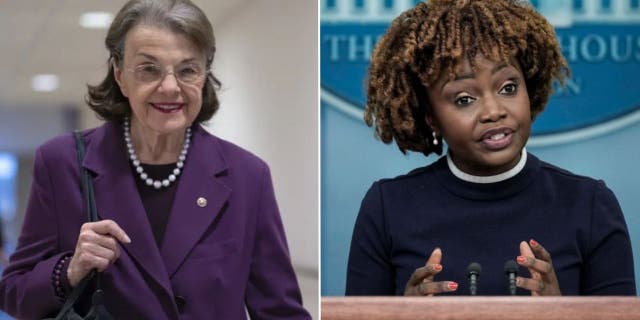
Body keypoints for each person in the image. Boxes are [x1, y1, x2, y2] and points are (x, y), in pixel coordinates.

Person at [0, 0, 311, 318]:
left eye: (188, 70)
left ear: (204, 76)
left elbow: (279, 311)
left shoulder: (247, 176)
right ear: (120, 75)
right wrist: (70, 268)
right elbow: (13, 292)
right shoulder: (61, 163)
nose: (170, 87)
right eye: (149, 69)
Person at [346, 0, 636, 296]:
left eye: (508, 88)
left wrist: (562, 313)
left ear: (529, 87)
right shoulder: (387, 208)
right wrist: (398, 316)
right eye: (463, 99)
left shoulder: (589, 205)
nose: (493, 111)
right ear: (430, 117)